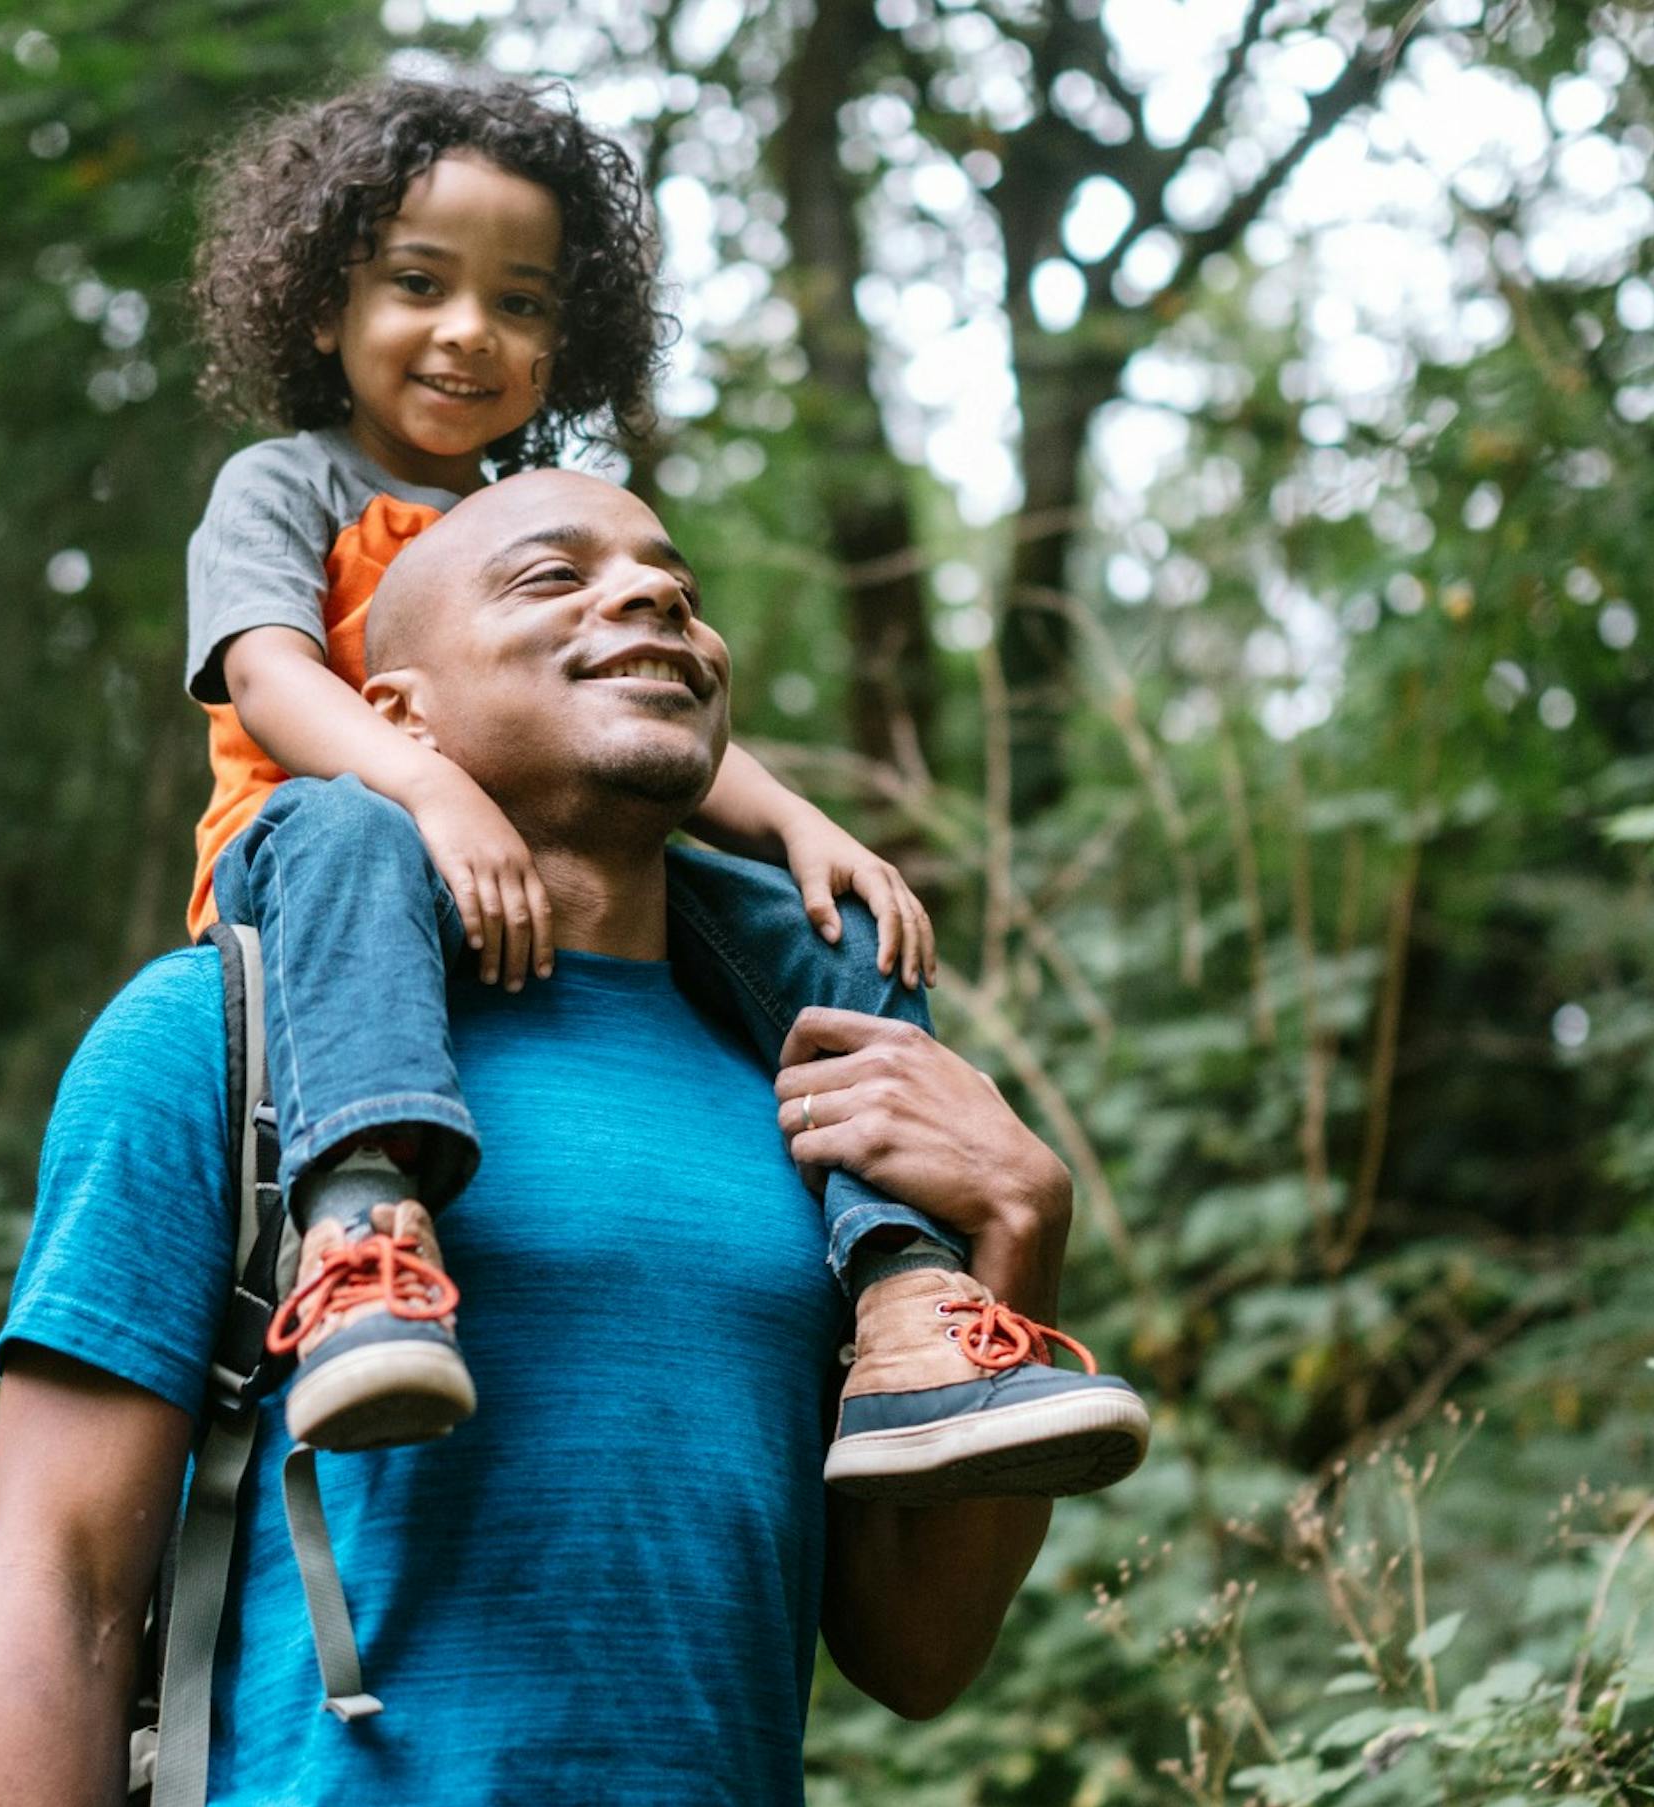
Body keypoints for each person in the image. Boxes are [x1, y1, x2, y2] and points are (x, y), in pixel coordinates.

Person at [0, 471, 1104, 1807]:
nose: (649, 603)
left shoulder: (819, 1101)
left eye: (675, 583)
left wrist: (1016, 1240)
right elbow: (58, 1577)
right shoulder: (217, 1036)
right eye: (556, 574)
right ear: (390, 711)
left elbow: (914, 1649)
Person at [178, 73, 1147, 1499]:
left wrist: (803, 826)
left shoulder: (543, 509)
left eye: (519, 304)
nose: (470, 332)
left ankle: (905, 1303)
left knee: (830, 931)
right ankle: (364, 1233)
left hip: (546, 878)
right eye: (418, 285)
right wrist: (428, 790)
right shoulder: (287, 486)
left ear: (563, 346)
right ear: (324, 306)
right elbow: (268, 678)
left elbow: (643, 716)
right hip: (329, 874)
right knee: (342, 824)